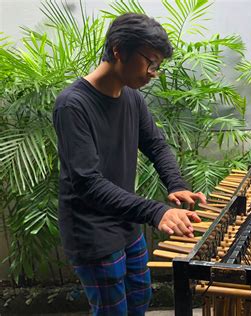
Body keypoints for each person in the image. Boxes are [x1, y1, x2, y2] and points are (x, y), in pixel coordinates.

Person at [53, 13, 205, 316]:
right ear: (119, 49)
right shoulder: (73, 105)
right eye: (150, 62)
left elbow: (156, 144)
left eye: (157, 66)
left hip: (127, 224)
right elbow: (88, 183)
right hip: (92, 232)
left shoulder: (132, 99)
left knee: (139, 302)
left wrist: (176, 185)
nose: (153, 73)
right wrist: (156, 211)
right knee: (113, 312)